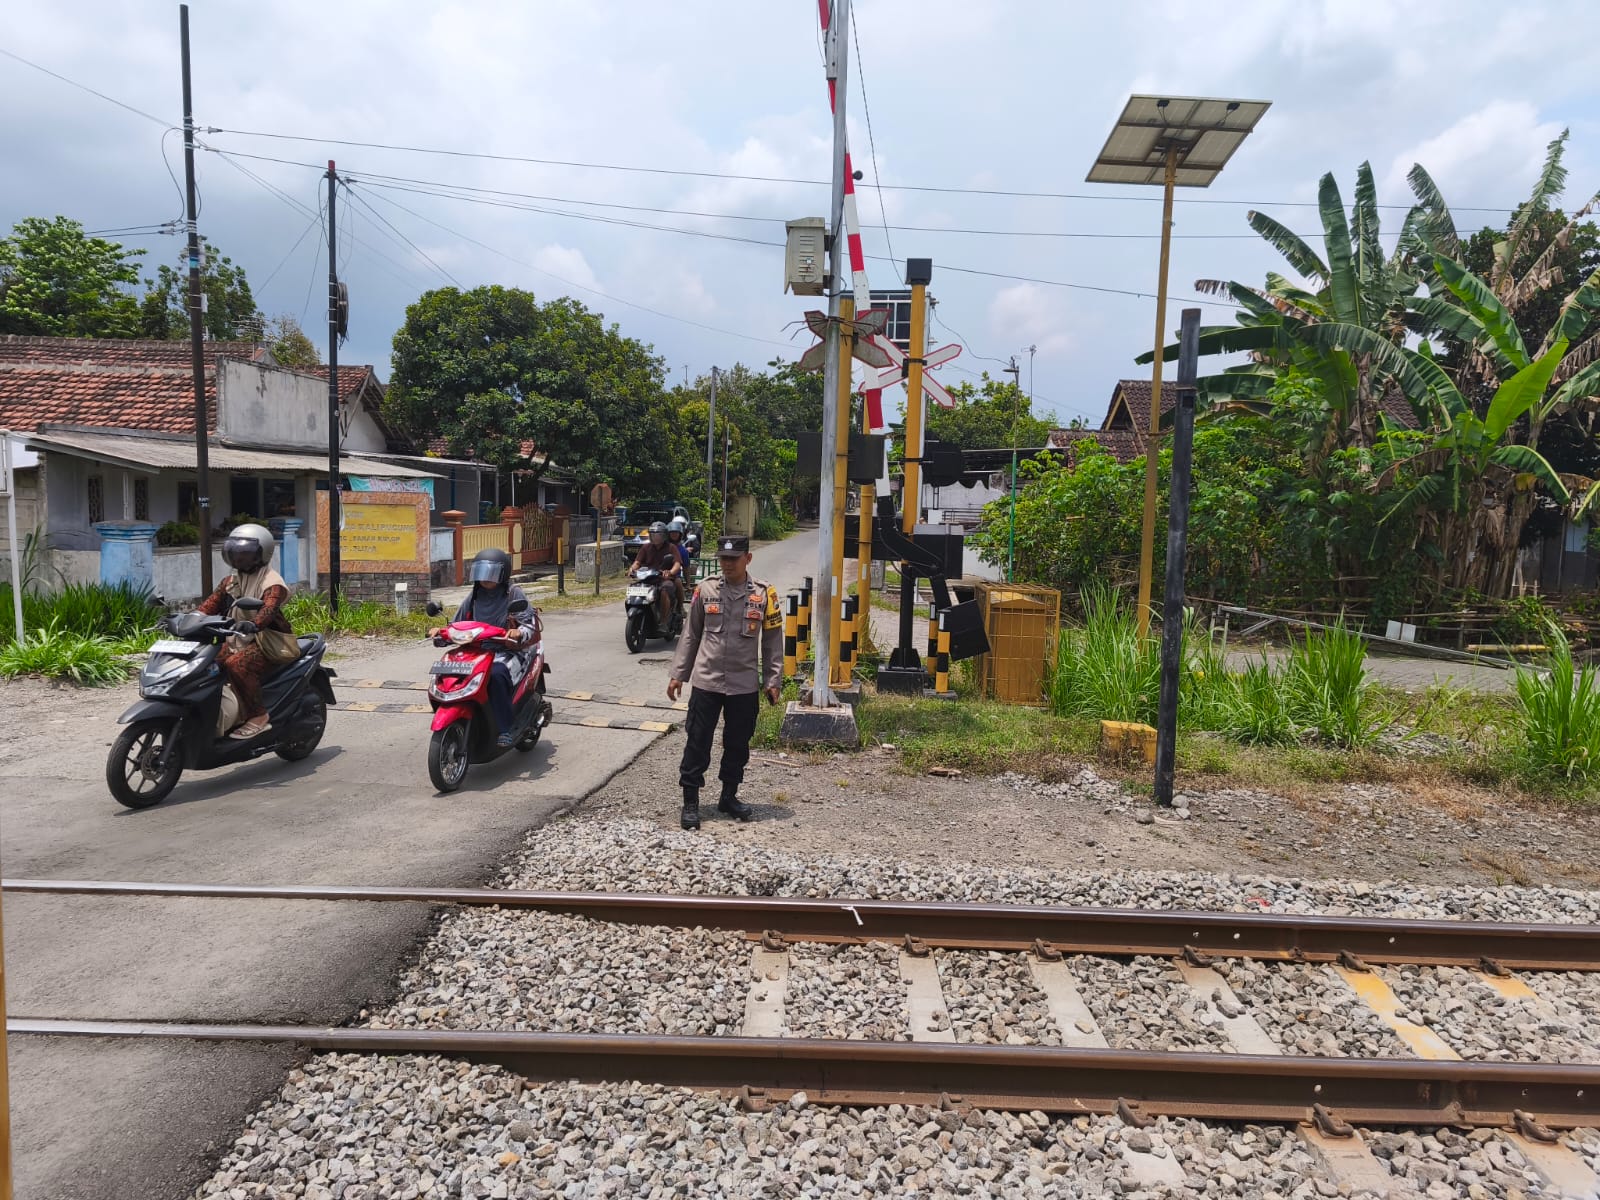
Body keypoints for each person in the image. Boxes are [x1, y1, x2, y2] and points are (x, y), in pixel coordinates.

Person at [667, 536, 783, 830]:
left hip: (744, 684)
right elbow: (691, 634)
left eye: (733, 558)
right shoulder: (705, 589)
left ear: (748, 559)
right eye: (723, 559)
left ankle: (728, 796)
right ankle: (691, 802)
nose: (727, 564)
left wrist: (773, 680)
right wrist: (679, 674)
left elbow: (772, 640)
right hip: (707, 681)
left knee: (737, 743)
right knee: (697, 741)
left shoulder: (764, 594)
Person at [196, 522, 295, 740]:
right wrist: (187, 619)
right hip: (237, 638)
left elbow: (269, 610)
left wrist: (254, 624)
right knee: (203, 662)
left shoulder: (272, 583)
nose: (239, 558)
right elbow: (209, 605)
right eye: (235, 552)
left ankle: (258, 715)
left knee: (237, 665)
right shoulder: (231, 581)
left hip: (267, 641)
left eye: (246, 553)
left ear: (262, 554)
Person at [434, 547, 536, 748]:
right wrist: (441, 633)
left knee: (496, 676)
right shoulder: (474, 596)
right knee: (449, 671)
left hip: (508, 650)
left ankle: (505, 728)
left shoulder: (513, 593)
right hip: (477, 651)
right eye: (481, 572)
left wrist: (518, 632)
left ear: (503, 574)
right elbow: (457, 624)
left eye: (491, 573)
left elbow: (529, 624)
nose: (485, 578)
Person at [629, 521, 682, 629]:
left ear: (664, 535)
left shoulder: (671, 547)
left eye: (658, 534)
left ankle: (663, 621)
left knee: (665, 590)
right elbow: (637, 562)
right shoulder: (646, 547)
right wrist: (632, 569)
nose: (655, 537)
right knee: (633, 588)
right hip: (647, 578)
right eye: (653, 534)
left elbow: (677, 563)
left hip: (663, 579)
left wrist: (670, 572)